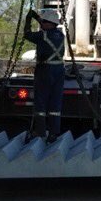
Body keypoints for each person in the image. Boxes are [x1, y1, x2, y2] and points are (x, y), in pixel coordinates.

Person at [24, 7, 65, 142]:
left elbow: (27, 34)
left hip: (45, 70)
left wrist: (29, 18)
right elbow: (45, 25)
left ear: (48, 23)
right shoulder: (61, 35)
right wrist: (39, 18)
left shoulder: (42, 35)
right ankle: (54, 132)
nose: (41, 25)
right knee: (55, 102)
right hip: (59, 70)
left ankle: (40, 131)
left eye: (43, 23)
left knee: (41, 102)